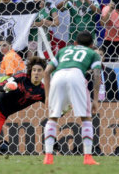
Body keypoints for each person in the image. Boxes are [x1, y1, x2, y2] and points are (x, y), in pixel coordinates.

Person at [43, 31, 101, 165]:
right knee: (86, 117)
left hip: (58, 76)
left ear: (75, 43)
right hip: (76, 75)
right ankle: (88, 157)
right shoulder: (93, 53)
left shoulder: (64, 50)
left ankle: (48, 156)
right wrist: (95, 99)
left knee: (53, 117)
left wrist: (47, 96)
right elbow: (96, 75)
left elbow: (46, 72)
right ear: (92, 45)